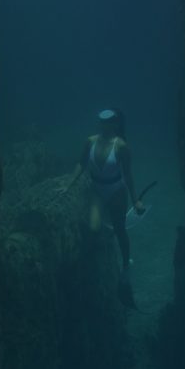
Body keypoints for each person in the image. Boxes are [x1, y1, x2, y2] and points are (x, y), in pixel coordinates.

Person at [63, 108, 144, 277]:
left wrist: (135, 200)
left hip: (116, 191)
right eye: (102, 122)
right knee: (93, 228)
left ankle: (125, 265)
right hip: (97, 190)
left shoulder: (121, 146)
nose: (103, 125)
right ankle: (105, 240)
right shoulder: (90, 141)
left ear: (115, 124)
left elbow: (128, 175)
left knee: (120, 230)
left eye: (107, 122)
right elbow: (81, 163)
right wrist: (68, 184)